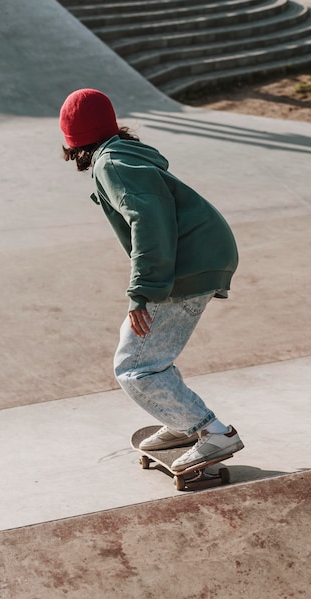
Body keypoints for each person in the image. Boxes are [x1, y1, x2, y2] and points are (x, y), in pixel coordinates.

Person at [59, 88, 244, 471]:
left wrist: (141, 293)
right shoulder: (123, 153)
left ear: (74, 143)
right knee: (148, 355)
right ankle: (182, 423)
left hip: (188, 263)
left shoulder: (110, 164)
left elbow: (150, 224)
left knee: (135, 366)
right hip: (201, 255)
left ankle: (211, 432)